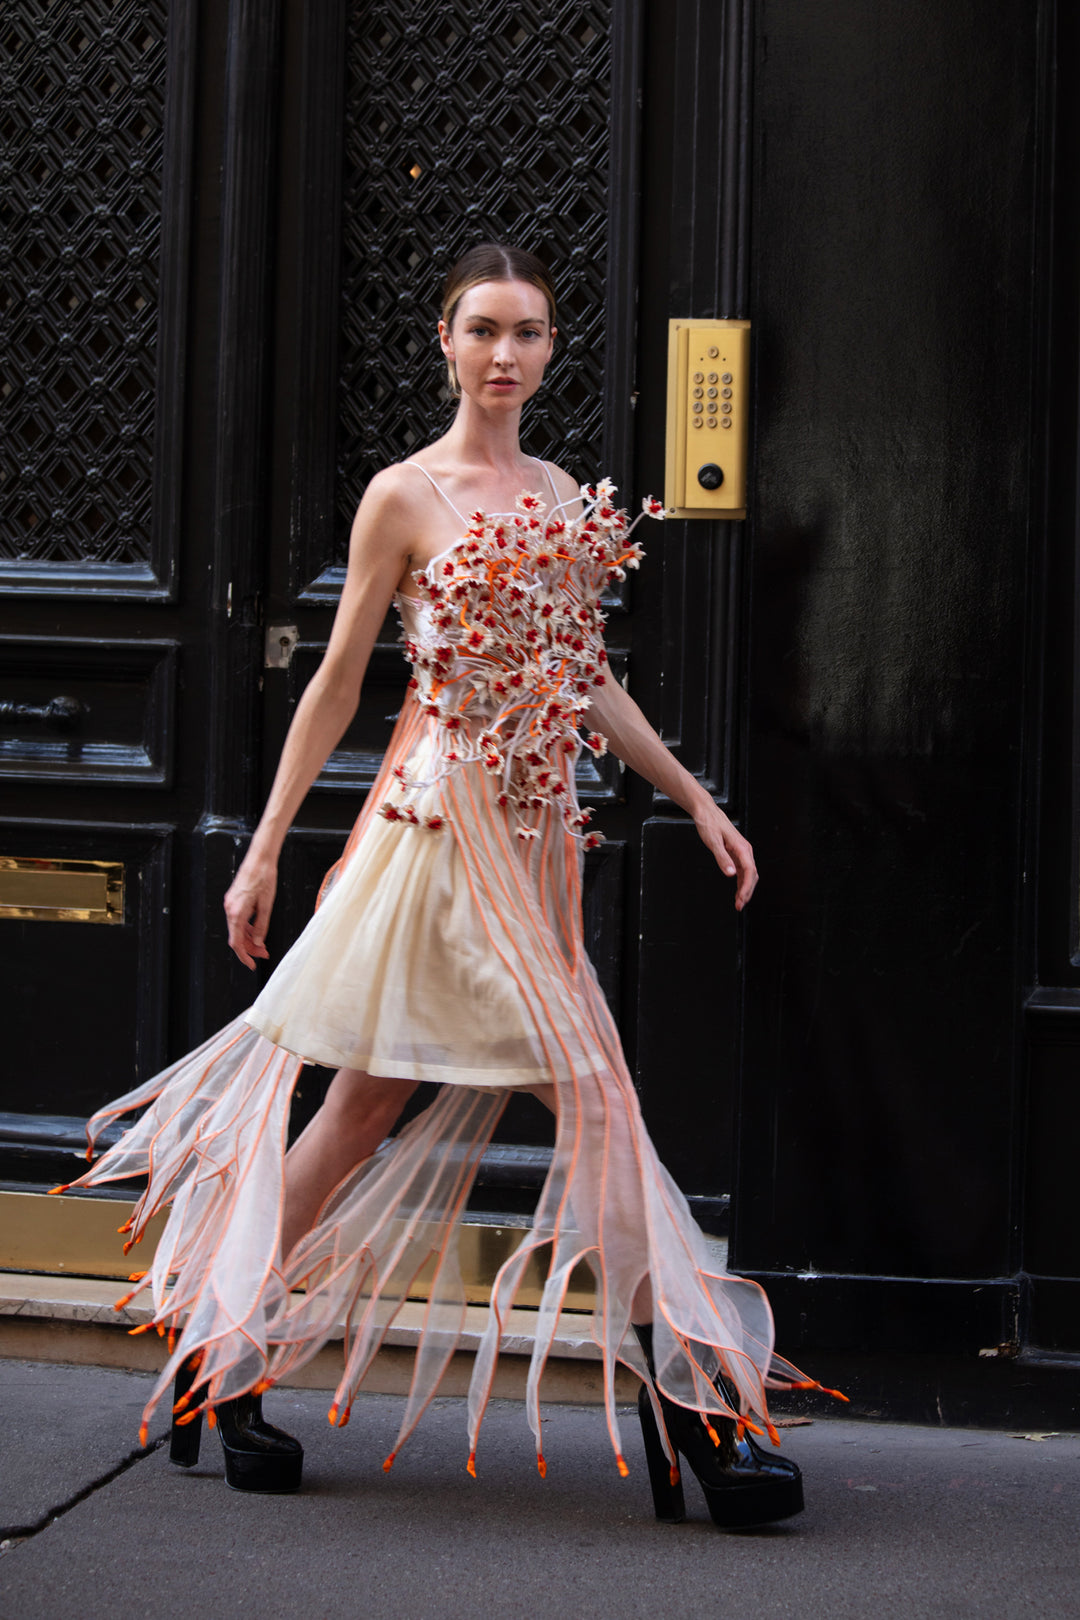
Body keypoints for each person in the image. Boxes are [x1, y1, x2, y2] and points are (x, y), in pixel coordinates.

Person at [59, 243, 837, 1523]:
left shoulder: (559, 496)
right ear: (444, 341)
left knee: (368, 1108)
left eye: (527, 332)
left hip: (533, 844)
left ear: (546, 350)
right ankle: (696, 1411)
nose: (505, 353)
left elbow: (583, 679)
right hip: (431, 842)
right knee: (587, 1108)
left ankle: (218, 1343)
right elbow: (338, 682)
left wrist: (695, 799)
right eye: (483, 328)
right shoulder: (401, 497)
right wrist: (262, 847)